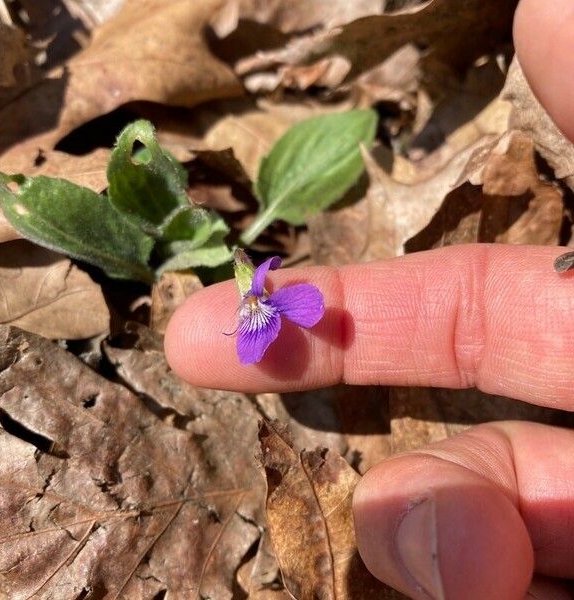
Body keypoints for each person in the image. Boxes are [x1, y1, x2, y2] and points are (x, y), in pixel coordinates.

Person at [165, 1, 574, 597]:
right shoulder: (266, 302)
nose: (256, 314)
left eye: (255, 304)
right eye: (255, 306)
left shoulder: (270, 300)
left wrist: (258, 292)